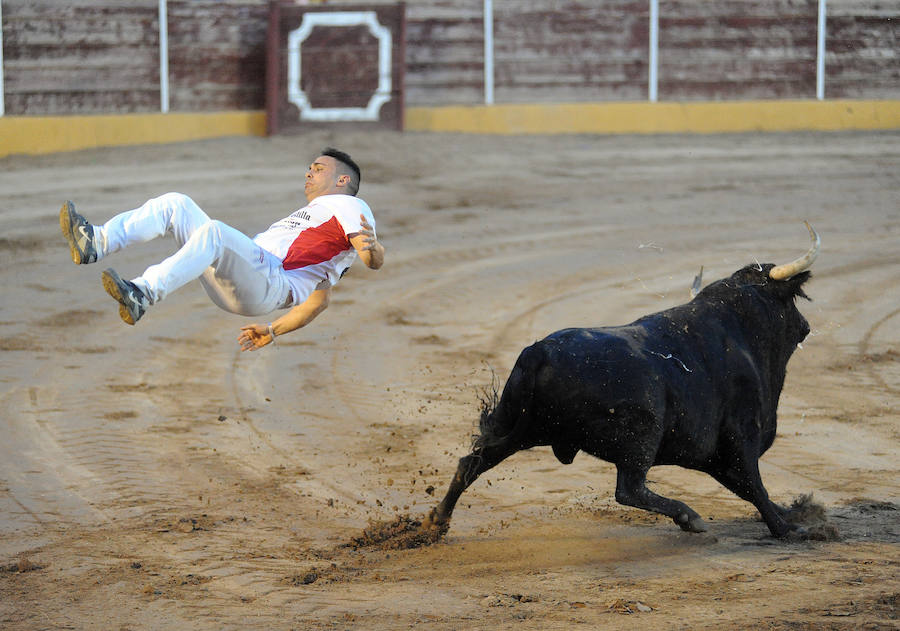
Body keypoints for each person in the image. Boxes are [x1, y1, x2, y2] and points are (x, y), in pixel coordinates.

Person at [59, 147, 384, 351]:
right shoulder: (323, 225)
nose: (309, 172)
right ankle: (96, 243)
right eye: (310, 167)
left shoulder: (349, 205)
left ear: (342, 181)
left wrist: (373, 251)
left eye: (319, 168)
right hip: (249, 282)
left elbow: (371, 257)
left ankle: (142, 293)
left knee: (214, 231)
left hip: (269, 281)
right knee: (176, 204)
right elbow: (319, 302)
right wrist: (272, 331)